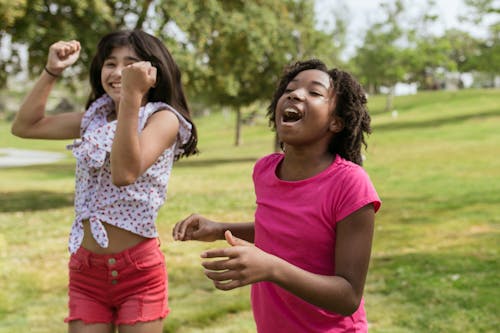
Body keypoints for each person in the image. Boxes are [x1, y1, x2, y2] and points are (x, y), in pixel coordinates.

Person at [173, 59, 381, 332]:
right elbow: (285, 234)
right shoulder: (266, 170)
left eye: (314, 92)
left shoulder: (350, 183)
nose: (295, 94)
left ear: (336, 122)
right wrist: (219, 229)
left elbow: (348, 296)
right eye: (290, 89)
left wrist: (271, 268)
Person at [11, 29, 198, 333]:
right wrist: (52, 71)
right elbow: (25, 126)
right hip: (87, 272)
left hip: (138, 272)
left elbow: (125, 173)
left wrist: (132, 98)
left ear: (152, 72)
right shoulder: (95, 118)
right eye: (110, 63)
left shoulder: (163, 119)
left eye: (131, 63)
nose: (118, 71)